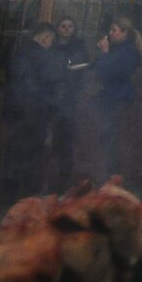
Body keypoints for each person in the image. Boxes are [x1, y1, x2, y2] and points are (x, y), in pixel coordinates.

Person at [2, 22, 57, 198]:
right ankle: (27, 193)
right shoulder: (43, 56)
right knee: (32, 152)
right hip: (34, 112)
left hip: (14, 108)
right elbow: (49, 83)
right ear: (45, 37)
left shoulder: (19, 51)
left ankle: (11, 191)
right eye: (51, 40)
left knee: (14, 150)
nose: (51, 43)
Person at [90, 16, 142, 182]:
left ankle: (111, 176)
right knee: (106, 139)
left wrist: (105, 53)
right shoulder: (119, 50)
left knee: (112, 139)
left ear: (125, 33)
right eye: (110, 30)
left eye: (114, 30)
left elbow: (107, 72)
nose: (110, 34)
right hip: (110, 99)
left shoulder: (128, 52)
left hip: (118, 99)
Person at [47, 16, 90, 189]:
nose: (66, 29)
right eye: (63, 26)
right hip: (52, 98)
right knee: (51, 141)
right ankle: (49, 181)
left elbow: (84, 69)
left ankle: (65, 180)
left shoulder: (78, 46)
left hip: (70, 98)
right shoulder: (52, 46)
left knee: (67, 141)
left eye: (70, 26)